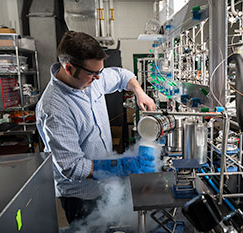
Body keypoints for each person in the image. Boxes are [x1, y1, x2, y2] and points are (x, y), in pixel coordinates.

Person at [36, 31, 156, 224]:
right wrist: (124, 166)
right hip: (81, 197)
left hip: (105, 184)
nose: (99, 79)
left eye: (100, 72)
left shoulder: (89, 79)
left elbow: (122, 75)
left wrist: (140, 92)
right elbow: (72, 167)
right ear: (69, 68)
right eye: (93, 73)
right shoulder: (54, 109)